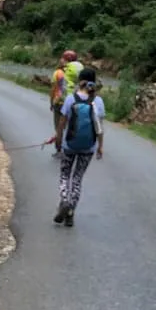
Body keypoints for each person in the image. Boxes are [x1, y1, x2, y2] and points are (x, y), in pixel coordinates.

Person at [54, 67, 104, 227]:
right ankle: (70, 212)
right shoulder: (98, 101)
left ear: (80, 81)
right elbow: (99, 126)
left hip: (70, 144)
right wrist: (100, 146)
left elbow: (62, 121)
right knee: (77, 179)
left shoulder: (71, 98)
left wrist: (59, 139)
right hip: (88, 147)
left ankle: (64, 201)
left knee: (64, 175)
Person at [50, 49, 79, 158]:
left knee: (59, 127)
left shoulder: (58, 73)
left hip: (60, 102)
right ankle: (71, 149)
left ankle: (59, 150)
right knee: (70, 127)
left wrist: (51, 102)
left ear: (64, 60)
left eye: (62, 58)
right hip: (74, 103)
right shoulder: (77, 74)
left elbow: (53, 89)